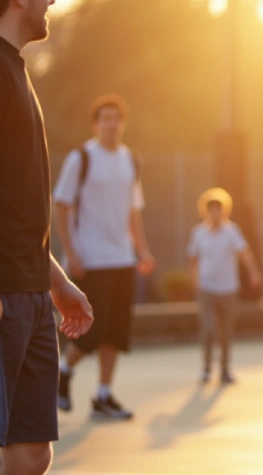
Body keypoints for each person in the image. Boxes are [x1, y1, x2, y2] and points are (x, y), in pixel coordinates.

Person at [0, 0, 95, 473]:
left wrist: (55, 281)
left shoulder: (16, 69)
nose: (53, 0)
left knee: (33, 452)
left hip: (32, 289)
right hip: (4, 292)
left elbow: (18, 202)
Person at [51, 93, 156, 420]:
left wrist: (141, 249)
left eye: (117, 118)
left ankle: (103, 395)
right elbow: (61, 205)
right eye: (105, 118)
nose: (112, 124)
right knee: (92, 330)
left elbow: (132, 212)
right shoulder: (81, 158)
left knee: (116, 332)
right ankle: (63, 371)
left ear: (123, 123)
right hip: (90, 259)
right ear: (96, 124)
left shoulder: (130, 160)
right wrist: (71, 252)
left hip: (122, 258)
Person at [187, 187, 262, 385]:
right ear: (205, 211)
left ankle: (225, 370)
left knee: (226, 332)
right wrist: (195, 282)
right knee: (208, 329)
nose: (215, 213)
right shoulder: (198, 233)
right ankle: (206, 368)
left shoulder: (232, 231)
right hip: (207, 290)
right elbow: (193, 260)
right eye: (211, 209)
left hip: (229, 289)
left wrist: (253, 272)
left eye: (218, 209)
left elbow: (245, 253)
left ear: (224, 210)